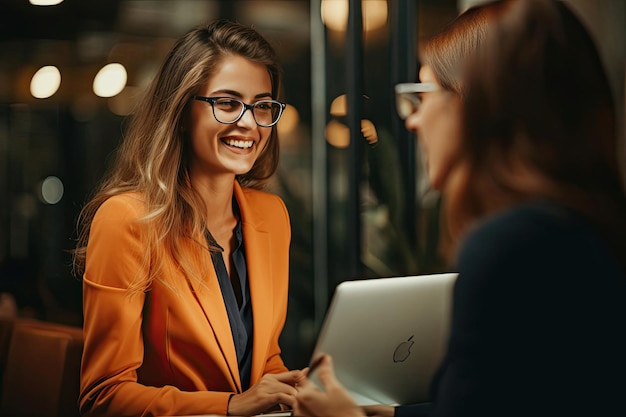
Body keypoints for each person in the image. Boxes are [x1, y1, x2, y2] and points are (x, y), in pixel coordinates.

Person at [295, 0, 626, 416]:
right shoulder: (581, 231)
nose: (413, 121)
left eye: (422, 95)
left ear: (481, 104)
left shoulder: (509, 246)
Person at [72, 20, 305, 417]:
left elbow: (261, 360)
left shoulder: (272, 216)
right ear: (180, 110)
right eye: (228, 103)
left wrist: (290, 388)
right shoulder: (127, 220)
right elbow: (104, 397)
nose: (248, 123)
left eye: (262, 105)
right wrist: (231, 406)